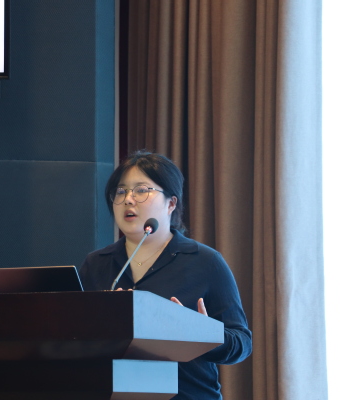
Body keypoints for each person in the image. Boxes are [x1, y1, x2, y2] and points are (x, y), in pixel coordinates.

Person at [78, 151, 252, 399]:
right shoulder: (96, 264)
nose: (128, 199)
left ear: (171, 203)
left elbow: (242, 344)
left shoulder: (205, 262)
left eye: (141, 190)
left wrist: (202, 333)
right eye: (120, 191)